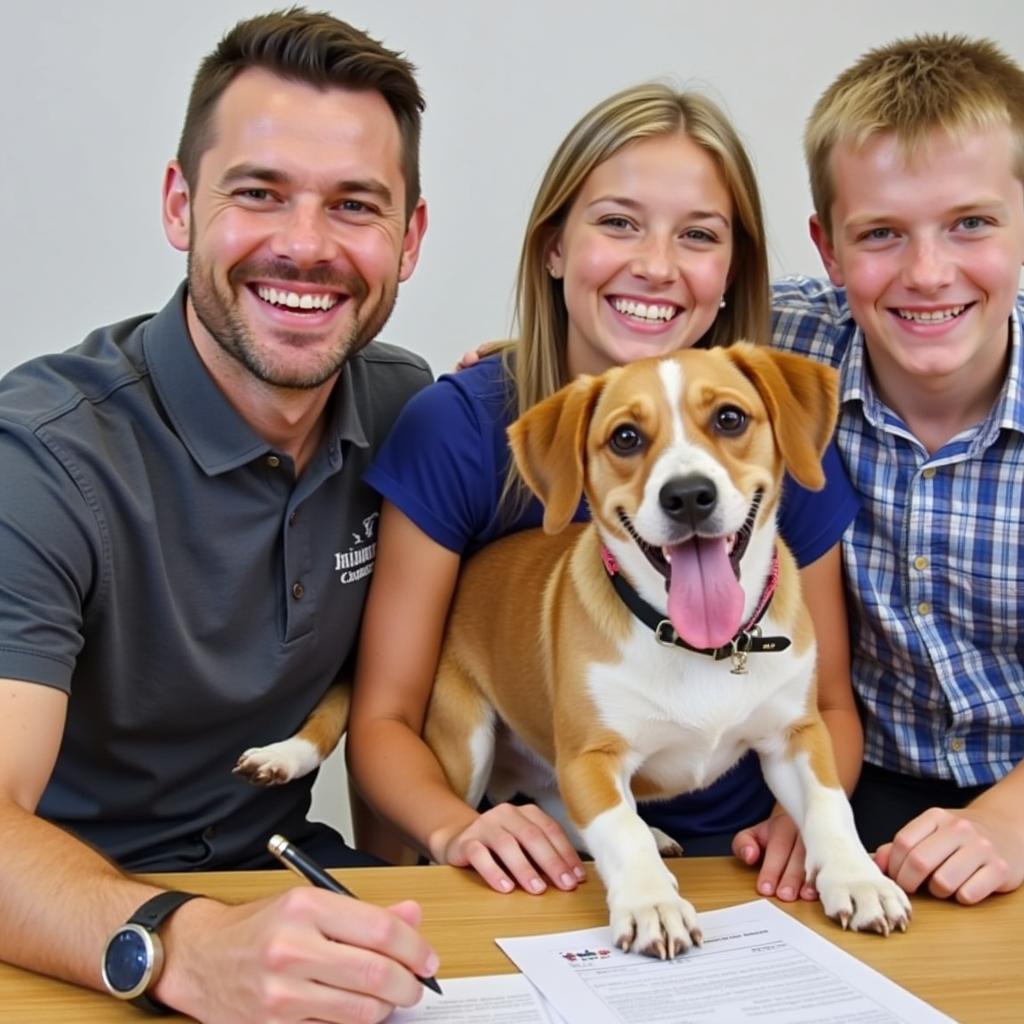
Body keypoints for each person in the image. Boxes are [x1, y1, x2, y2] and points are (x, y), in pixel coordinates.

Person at [0, 9, 440, 1023]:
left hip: (290, 897)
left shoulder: (406, 409)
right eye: (258, 193)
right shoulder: (45, 457)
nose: (305, 245)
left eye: (355, 205)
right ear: (179, 204)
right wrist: (181, 944)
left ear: (409, 238)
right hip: (71, 936)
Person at [346, 82, 862, 902]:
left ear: (732, 270)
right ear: (554, 247)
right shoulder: (461, 429)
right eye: (618, 222)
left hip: (745, 863)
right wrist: (451, 829)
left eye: (698, 235)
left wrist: (813, 826)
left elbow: (824, 708)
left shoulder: (765, 428)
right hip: (537, 850)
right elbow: (383, 722)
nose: (655, 265)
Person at [767, 33, 1024, 906]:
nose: (927, 273)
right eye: (881, 233)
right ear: (829, 250)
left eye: (972, 223)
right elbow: (651, 329)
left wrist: (1006, 823)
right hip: (866, 785)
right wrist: (535, 357)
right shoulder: (789, 348)